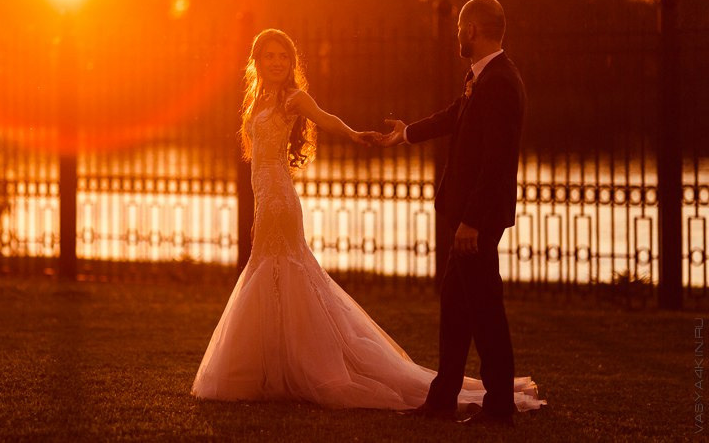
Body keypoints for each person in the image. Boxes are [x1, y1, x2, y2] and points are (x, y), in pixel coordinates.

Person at [190, 27, 545, 421]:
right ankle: (273, 367)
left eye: (283, 57)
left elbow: (326, 118)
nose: (277, 63)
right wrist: (258, 213)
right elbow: (258, 161)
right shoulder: (257, 100)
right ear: (256, 61)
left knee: (286, 274)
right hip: (265, 200)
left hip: (281, 201)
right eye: (270, 56)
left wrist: (355, 133)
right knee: (269, 275)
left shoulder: (294, 98)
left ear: (292, 64)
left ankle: (306, 366)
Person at [378, 0, 537, 425]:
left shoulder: (500, 81)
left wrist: (471, 220)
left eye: (460, 28)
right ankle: (441, 399)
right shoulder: (482, 77)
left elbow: (495, 161)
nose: (456, 35)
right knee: (456, 304)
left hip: (476, 220)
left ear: (472, 29)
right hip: (469, 216)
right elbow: (454, 116)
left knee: (485, 311)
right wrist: (406, 134)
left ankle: (498, 406)